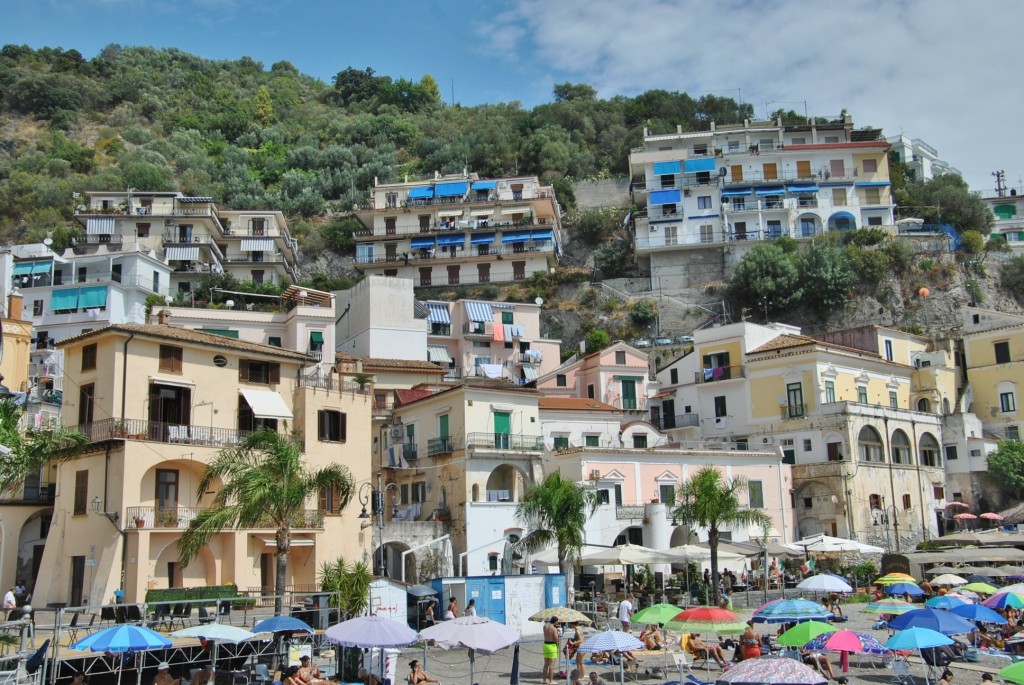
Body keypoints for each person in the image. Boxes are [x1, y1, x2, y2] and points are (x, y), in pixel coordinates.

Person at [543, 616, 560, 685]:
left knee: (546, 664)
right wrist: (558, 633)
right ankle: (551, 681)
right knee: (551, 664)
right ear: (555, 621)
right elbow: (556, 639)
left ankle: (544, 680)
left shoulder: (545, 626)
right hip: (552, 646)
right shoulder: (554, 628)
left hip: (545, 645)